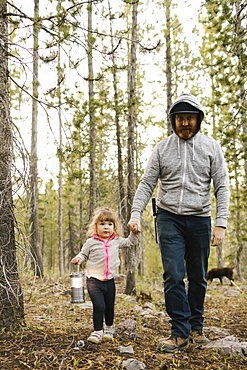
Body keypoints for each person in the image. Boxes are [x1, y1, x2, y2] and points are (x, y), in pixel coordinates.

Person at [127, 93, 230, 353]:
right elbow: (147, 183)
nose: (185, 123)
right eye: (180, 119)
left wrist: (221, 223)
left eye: (190, 119)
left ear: (198, 120)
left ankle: (197, 328)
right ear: (173, 121)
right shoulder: (162, 148)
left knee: (198, 276)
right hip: (168, 217)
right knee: (173, 274)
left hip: (200, 219)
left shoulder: (211, 147)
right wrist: (135, 213)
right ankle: (179, 333)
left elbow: (222, 186)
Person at [71, 207, 140, 344]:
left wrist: (134, 233)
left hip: (109, 281)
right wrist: (79, 258)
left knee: (109, 306)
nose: (106, 227)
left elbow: (130, 242)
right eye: (102, 224)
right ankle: (97, 331)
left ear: (114, 227)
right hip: (94, 280)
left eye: (109, 224)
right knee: (99, 305)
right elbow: (84, 254)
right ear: (95, 227)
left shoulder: (116, 240)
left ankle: (109, 328)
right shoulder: (91, 242)